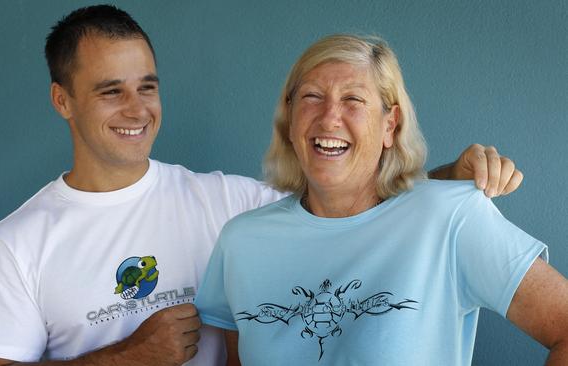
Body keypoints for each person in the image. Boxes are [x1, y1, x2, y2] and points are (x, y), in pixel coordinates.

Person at [0, 6, 527, 366]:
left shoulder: (230, 207)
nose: (137, 109)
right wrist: (132, 356)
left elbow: (354, 207)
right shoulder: (17, 241)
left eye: (147, 86)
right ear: (62, 100)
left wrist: (444, 183)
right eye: (111, 91)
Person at [195, 34, 568, 365]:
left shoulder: (451, 216)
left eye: (353, 99)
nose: (329, 118)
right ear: (289, 117)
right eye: (311, 96)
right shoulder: (241, 241)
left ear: (390, 125)